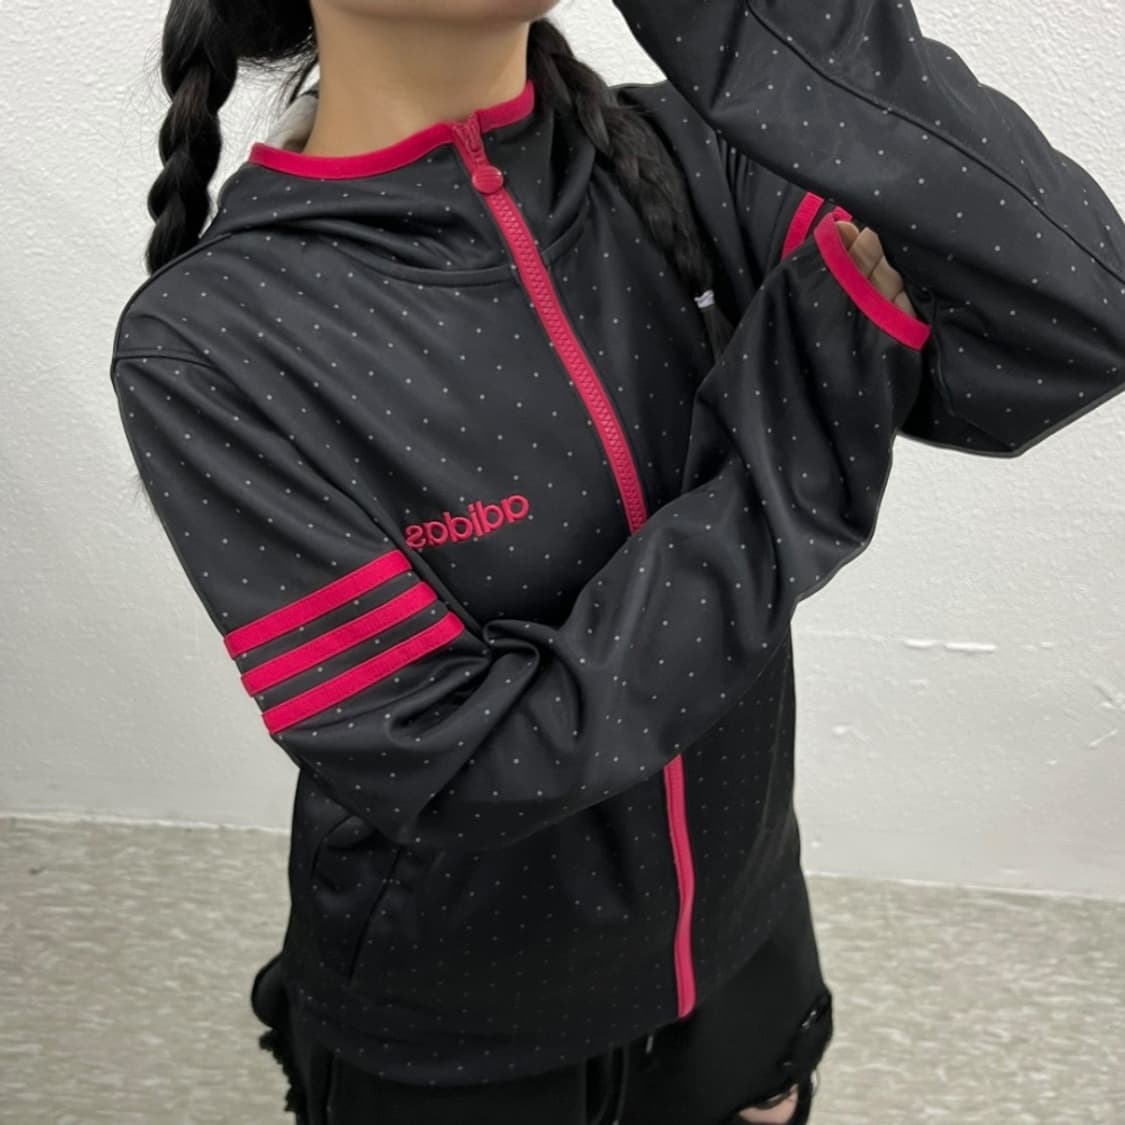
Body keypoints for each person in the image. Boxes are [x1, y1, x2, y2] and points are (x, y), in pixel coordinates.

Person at [109, 0, 1125, 1121]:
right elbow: (465, 764)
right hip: (464, 1030)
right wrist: (797, 440)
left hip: (742, 940)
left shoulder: (699, 157)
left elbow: (1076, 320)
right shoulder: (212, 339)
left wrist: (762, 27)